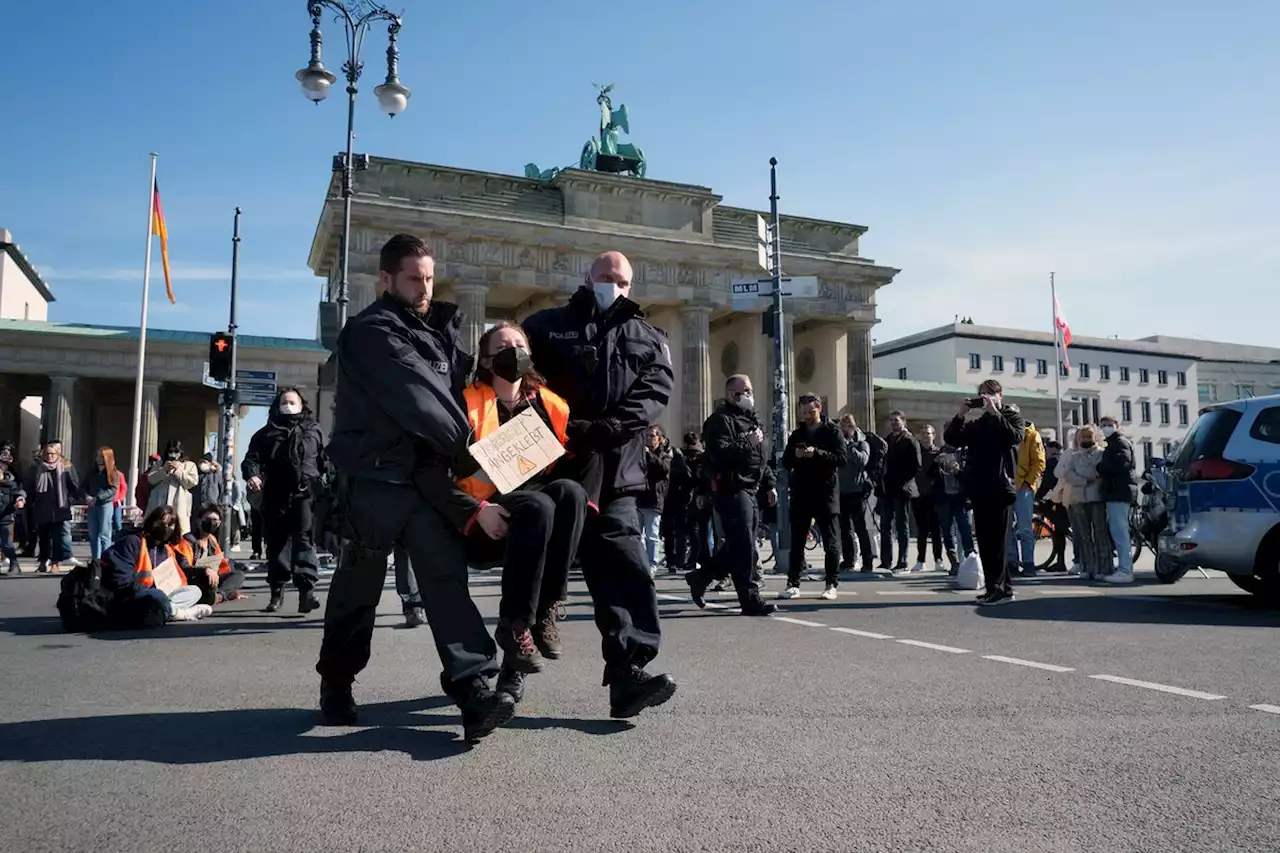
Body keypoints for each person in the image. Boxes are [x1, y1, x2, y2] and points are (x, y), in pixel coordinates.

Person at [317, 233, 512, 742]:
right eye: (413, 278)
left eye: (428, 278)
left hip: (423, 481)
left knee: (446, 584)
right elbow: (424, 401)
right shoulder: (372, 330)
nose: (424, 287)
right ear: (386, 279)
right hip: (375, 480)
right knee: (358, 591)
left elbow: (467, 391)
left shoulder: (438, 334)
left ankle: (474, 691)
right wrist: (472, 451)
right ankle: (337, 684)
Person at [523, 249, 678, 718]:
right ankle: (507, 665)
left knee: (626, 571)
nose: (615, 285)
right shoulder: (546, 326)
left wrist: (609, 427)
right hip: (555, 471)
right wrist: (562, 425)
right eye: (606, 276)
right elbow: (523, 383)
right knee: (531, 569)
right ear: (588, 278)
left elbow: (655, 391)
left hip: (615, 475)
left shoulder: (648, 336)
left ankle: (628, 672)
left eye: (623, 280)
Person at [415, 321, 591, 699]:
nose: (513, 352)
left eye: (519, 345)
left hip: (534, 516)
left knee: (572, 494)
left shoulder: (550, 404)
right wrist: (475, 510)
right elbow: (429, 471)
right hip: (483, 520)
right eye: (502, 347)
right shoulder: (463, 403)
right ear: (486, 360)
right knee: (540, 505)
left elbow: (567, 459)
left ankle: (541, 612)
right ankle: (514, 626)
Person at [687, 374, 777, 615]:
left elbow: (761, 458)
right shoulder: (719, 420)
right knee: (745, 545)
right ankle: (750, 598)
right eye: (744, 391)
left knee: (739, 544)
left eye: (750, 390)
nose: (749, 394)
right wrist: (746, 442)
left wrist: (769, 484)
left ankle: (701, 576)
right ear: (731, 394)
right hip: (732, 489)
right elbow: (718, 453)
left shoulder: (753, 421)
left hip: (752, 488)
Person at [243, 388, 326, 614]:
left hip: (305, 494)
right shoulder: (266, 434)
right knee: (277, 544)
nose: (288, 405)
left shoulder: (314, 430)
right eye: (284, 402)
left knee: (304, 541)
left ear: (301, 405)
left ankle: (306, 593)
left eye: (292, 401)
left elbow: (324, 460)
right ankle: (276, 593)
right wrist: (253, 475)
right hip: (275, 495)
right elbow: (251, 460)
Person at [943, 380, 1025, 606]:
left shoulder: (1011, 417)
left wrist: (995, 411)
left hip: (1000, 487)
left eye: (990, 394)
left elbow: (1014, 437)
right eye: (982, 395)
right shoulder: (980, 423)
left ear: (1001, 395)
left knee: (998, 543)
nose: (986, 398)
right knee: (986, 543)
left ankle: (999, 590)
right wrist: (961, 415)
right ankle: (998, 588)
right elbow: (953, 438)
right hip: (979, 488)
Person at [97, 504, 212, 625]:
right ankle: (177, 613)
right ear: (153, 522)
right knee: (158, 595)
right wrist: (151, 591)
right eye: (163, 523)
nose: (167, 528)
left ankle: (167, 610)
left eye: (171, 525)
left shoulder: (165, 549)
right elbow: (121, 581)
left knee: (194, 591)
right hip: (131, 594)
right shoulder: (132, 542)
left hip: (158, 593)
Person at [779, 395, 846, 599]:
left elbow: (841, 459)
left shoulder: (832, 431)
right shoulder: (798, 433)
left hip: (825, 492)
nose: (807, 416)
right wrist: (795, 456)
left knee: (830, 541)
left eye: (811, 412)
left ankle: (831, 583)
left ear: (820, 409)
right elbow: (785, 461)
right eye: (804, 413)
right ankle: (793, 583)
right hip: (801, 491)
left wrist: (816, 453)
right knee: (798, 540)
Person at [23, 438, 82, 573]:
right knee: (44, 538)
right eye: (47, 454)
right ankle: (43, 562)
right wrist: (23, 498)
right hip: (42, 508)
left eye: (52, 454)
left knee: (57, 538)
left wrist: (78, 498)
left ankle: (55, 563)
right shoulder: (37, 469)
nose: (50, 457)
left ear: (58, 455)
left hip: (60, 509)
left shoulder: (65, 469)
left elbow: (73, 487)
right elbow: (28, 487)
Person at [1061, 425, 1110, 579]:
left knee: (1100, 532)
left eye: (1089, 437)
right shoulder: (1074, 457)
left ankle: (1104, 568)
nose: (1086, 440)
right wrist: (1084, 480)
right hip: (1078, 499)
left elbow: (1100, 473)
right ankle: (1087, 567)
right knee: (1083, 534)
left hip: (1096, 498)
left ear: (1095, 437)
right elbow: (1067, 474)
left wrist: (1088, 476)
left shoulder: (1102, 455)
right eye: (1083, 437)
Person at [1096, 415, 1139, 584]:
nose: (1106, 427)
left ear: (1117, 425)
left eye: (1109, 424)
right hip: (1118, 490)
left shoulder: (1119, 443)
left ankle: (1125, 570)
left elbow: (1123, 464)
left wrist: (1101, 467)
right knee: (1118, 531)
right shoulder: (1115, 443)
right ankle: (1123, 568)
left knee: (1120, 532)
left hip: (1119, 491)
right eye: (1103, 425)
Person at [178, 503, 248, 606]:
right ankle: (221, 596)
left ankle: (220, 596)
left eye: (215, 520)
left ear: (219, 523)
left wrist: (231, 586)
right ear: (198, 521)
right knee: (207, 588)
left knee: (238, 575)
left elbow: (223, 566)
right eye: (207, 519)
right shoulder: (187, 541)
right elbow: (184, 568)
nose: (211, 522)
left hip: (213, 579)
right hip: (195, 580)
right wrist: (204, 570)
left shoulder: (212, 540)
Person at [880, 412, 920, 571]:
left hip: (902, 489)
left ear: (903, 421)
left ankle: (902, 560)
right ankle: (885, 560)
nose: (893, 423)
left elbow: (916, 466)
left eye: (896, 421)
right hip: (887, 489)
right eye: (891, 421)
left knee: (902, 526)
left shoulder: (910, 441)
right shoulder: (888, 440)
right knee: (885, 525)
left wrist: (902, 480)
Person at [1008, 418, 1046, 577]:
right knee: (1007, 528)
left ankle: (1028, 562)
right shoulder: (1004, 433)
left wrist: (1028, 482)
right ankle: (1011, 562)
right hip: (1006, 485)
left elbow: (1039, 462)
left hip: (1023, 487)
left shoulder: (1031, 435)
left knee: (1025, 527)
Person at [835, 414, 873, 573]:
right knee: (845, 529)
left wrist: (849, 446)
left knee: (860, 528)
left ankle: (868, 561)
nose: (844, 430)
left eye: (846, 427)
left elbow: (862, 461)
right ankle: (849, 560)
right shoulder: (839, 442)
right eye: (841, 427)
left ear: (852, 427)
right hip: (841, 491)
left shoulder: (862, 443)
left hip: (857, 491)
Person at [908, 424, 945, 574]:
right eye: (923, 433)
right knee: (921, 530)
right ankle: (920, 560)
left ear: (933, 435)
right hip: (919, 495)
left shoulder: (939, 453)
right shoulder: (915, 452)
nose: (925, 436)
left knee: (936, 530)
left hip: (935, 496)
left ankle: (938, 560)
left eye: (928, 433)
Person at [934, 443, 974, 573]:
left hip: (961, 498)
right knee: (947, 531)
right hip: (944, 497)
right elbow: (930, 475)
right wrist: (936, 463)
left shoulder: (967, 452)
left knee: (965, 530)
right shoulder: (942, 451)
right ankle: (954, 563)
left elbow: (971, 475)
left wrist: (959, 472)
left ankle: (971, 561)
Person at [637, 425, 672, 574]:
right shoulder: (639, 454)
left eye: (652, 436)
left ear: (660, 438)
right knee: (638, 535)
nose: (649, 439)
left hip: (654, 499)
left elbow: (662, 468)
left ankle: (652, 564)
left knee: (652, 535)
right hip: (639, 498)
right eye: (646, 436)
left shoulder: (664, 455)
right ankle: (641, 563)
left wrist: (648, 455)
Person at [146, 441, 198, 536]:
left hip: (180, 503)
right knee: (157, 529)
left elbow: (192, 482)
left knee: (179, 530)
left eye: (176, 452)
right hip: (159, 502)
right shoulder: (159, 463)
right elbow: (151, 479)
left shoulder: (189, 465)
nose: (173, 455)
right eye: (171, 452)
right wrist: (164, 470)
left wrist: (178, 471)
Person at [1035, 440, 1071, 572]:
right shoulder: (1062, 459)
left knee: (1059, 530)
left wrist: (1037, 497)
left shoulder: (1053, 461)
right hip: (1065, 498)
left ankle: (1061, 562)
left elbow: (1048, 483)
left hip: (1060, 500)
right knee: (1059, 530)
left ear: (1051, 450)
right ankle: (1060, 562)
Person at [84, 446, 123, 561]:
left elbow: (112, 490)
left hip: (105, 505)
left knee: (104, 534)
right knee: (93, 533)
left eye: (102, 457)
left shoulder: (113, 473)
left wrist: (97, 498)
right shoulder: (92, 473)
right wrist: (86, 496)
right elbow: (84, 486)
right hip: (92, 505)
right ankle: (96, 559)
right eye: (97, 456)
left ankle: (107, 560)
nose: (99, 459)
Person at [0, 442, 25, 574]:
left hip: (5, 514)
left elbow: (19, 491)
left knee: (6, 543)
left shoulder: (11, 481)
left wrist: (20, 500)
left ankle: (14, 564)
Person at [191, 453, 224, 536]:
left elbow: (222, 490)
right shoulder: (197, 475)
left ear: (210, 463)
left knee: (213, 530)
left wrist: (219, 506)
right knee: (197, 529)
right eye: (201, 462)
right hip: (198, 507)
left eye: (205, 462)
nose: (202, 464)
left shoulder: (216, 475)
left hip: (212, 507)